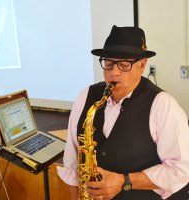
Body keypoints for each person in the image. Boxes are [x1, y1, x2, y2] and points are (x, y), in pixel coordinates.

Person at [57, 25, 189, 200]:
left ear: (142, 65)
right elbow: (72, 162)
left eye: (124, 65)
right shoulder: (85, 96)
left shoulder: (164, 105)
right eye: (109, 63)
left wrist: (124, 181)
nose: (114, 72)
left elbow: (180, 170)